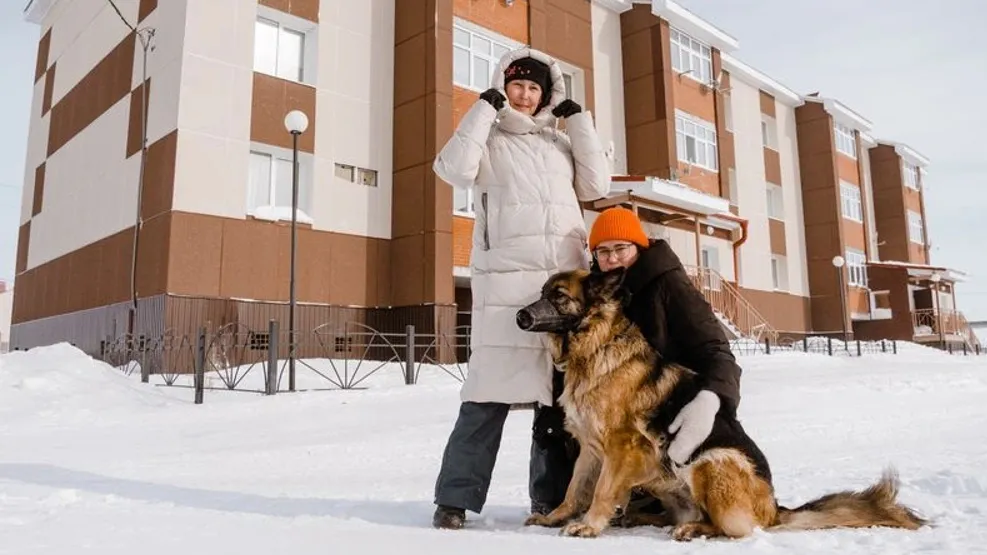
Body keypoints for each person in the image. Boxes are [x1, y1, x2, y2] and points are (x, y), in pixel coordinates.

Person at [430, 47, 611, 529]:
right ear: (504, 87)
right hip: (505, 288)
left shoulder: (560, 144)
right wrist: (482, 108)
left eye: (535, 88)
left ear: (547, 94)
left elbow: (597, 185)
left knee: (555, 406)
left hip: (560, 291)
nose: (526, 95)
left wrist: (580, 125)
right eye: (517, 86)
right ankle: (454, 500)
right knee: (485, 400)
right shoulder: (487, 138)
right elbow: (451, 169)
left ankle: (551, 500)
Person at [588, 206, 743, 471]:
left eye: (620, 248)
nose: (612, 258)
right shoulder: (597, 293)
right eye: (603, 251)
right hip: (629, 421)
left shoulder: (669, 284)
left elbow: (715, 348)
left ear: (638, 246)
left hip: (676, 411)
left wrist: (710, 400)